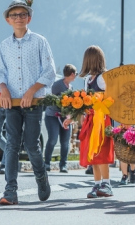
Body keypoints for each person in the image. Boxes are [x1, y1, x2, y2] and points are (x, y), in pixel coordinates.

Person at [0, 0, 57, 205]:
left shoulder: (40, 42)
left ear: (29, 18)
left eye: (22, 14)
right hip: (11, 103)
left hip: (34, 103)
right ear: (8, 20)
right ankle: (10, 191)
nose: (18, 18)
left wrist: (32, 91)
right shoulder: (4, 46)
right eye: (14, 15)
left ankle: (41, 178)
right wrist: (3, 89)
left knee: (31, 145)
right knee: (12, 144)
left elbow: (49, 71)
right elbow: (0, 72)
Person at [78, 46, 116, 198]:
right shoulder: (89, 79)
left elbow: (111, 98)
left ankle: (106, 183)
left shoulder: (102, 78)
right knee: (93, 152)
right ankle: (97, 183)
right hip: (91, 119)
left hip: (102, 118)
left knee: (102, 150)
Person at [44, 64, 76, 173]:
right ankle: (46, 163)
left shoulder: (71, 88)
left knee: (65, 141)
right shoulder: (57, 85)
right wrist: (60, 104)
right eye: (75, 74)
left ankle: (63, 165)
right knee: (53, 139)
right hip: (52, 116)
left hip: (65, 117)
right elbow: (49, 99)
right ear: (72, 74)